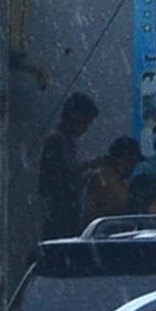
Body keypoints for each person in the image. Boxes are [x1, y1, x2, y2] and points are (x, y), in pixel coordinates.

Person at [33, 92, 102, 241]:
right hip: (60, 216)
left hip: (68, 215)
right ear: (73, 116)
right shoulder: (57, 140)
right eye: (85, 122)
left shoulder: (70, 143)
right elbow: (62, 176)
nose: (86, 128)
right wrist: (91, 165)